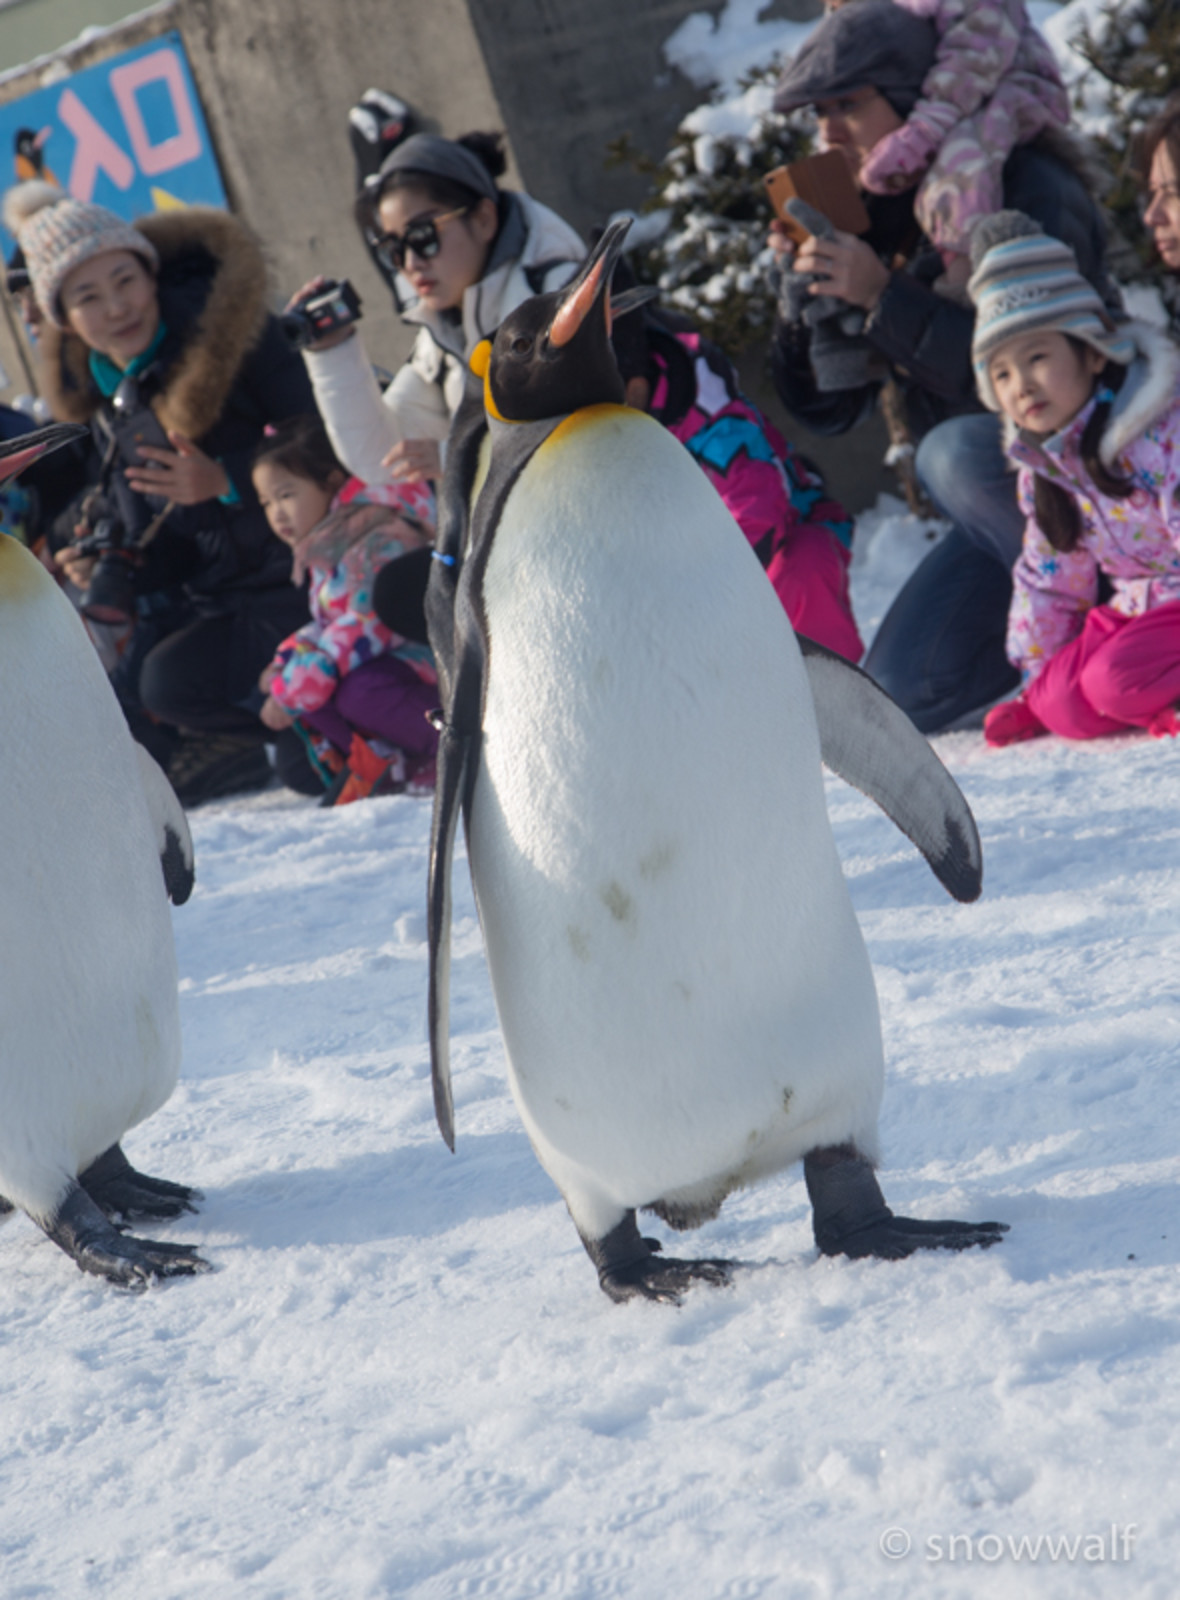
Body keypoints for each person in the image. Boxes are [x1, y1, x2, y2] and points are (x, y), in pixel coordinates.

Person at [767, 0, 1120, 732]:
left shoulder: (1021, 183)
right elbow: (833, 412)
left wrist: (882, 296)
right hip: (1006, 521)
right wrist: (800, 300)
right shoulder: (880, 211)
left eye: (848, 105)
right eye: (818, 112)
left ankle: (1126, 606)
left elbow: (1041, 377)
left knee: (952, 452)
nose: (829, 132)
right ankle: (1069, 620)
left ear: (910, 94)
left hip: (1098, 486)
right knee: (902, 690)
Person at [4, 179, 320, 804]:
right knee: (148, 690)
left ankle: (319, 724)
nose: (116, 306)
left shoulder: (231, 338)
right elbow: (161, 536)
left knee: (291, 758)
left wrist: (228, 478)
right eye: (88, 296)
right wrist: (110, 560)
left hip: (303, 577)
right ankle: (263, 734)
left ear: (151, 275)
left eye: (125, 280)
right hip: (225, 593)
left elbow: (319, 434)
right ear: (64, 319)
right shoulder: (110, 397)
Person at [962, 212, 1180, 746]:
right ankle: (1144, 695)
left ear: (1089, 351)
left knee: (1112, 683)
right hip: (1137, 611)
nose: (1022, 386)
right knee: (1064, 703)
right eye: (1003, 374)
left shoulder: (1158, 433)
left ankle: (1150, 694)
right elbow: (1050, 577)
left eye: (1037, 357)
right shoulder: (1047, 466)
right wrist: (1033, 685)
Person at [293, 130, 585, 489]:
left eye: (422, 235)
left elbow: (578, 432)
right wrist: (332, 352)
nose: (410, 263)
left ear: (483, 220)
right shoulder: (443, 334)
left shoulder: (560, 293)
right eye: (393, 248)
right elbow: (384, 457)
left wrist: (459, 457)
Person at [611, 302, 864, 660]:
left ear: (636, 382)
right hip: (698, 567)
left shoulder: (714, 421)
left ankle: (835, 701)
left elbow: (758, 511)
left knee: (801, 570)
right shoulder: (621, 437)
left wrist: (693, 593)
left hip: (788, 536)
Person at [252, 416, 440, 804]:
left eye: (286, 495)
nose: (277, 514)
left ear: (332, 482)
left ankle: (449, 748)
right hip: (384, 664)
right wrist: (287, 659)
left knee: (358, 693)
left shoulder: (377, 536)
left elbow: (366, 625)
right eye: (267, 503)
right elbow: (327, 625)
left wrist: (296, 685)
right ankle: (379, 764)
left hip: (424, 665)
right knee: (314, 691)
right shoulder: (323, 547)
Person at [848, 0, 1070, 290]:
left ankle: (966, 270)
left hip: (1013, 83)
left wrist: (925, 130)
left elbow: (976, 53)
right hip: (954, 93)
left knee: (960, 164)